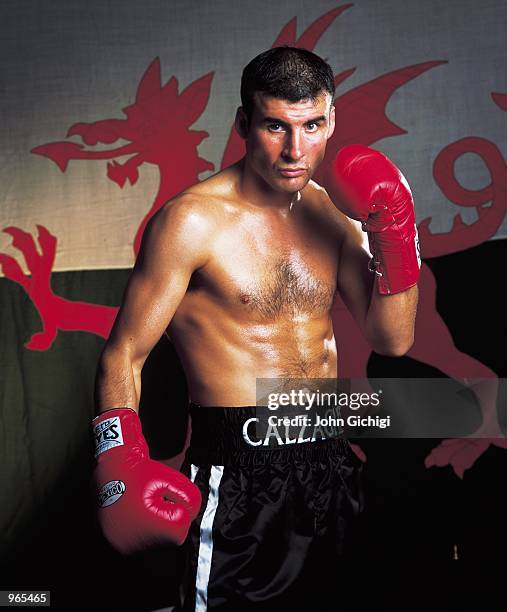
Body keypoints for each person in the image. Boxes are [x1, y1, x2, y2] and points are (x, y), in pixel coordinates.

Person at [92, 46, 419, 611]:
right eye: (275, 126)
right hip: (238, 473)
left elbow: (392, 339)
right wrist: (117, 463)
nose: (295, 150)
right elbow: (123, 355)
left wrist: (399, 237)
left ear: (331, 121)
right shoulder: (191, 221)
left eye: (311, 126)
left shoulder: (338, 212)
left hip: (330, 461)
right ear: (244, 122)